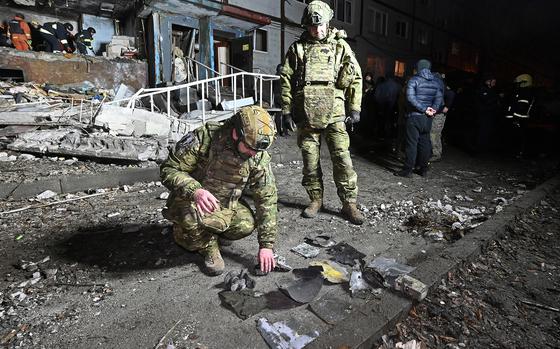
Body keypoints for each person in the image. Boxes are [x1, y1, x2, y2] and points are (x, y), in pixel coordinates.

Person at [160, 105, 278, 276]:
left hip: (225, 201)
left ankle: (213, 229)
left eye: (257, 150)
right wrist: (195, 191)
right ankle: (207, 244)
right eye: (249, 148)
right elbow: (169, 170)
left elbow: (267, 197)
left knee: (246, 224)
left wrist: (266, 246)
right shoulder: (204, 137)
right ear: (236, 133)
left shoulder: (257, 154)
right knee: (189, 222)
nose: (253, 154)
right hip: (192, 199)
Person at [280, 0, 365, 225]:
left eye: (320, 25)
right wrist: (286, 110)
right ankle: (315, 199)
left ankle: (349, 204)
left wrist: (354, 108)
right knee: (309, 161)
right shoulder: (297, 48)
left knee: (342, 159)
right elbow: (286, 79)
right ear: (306, 25)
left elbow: (355, 77)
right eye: (312, 26)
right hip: (306, 113)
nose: (316, 30)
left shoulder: (340, 46)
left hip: (335, 112)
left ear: (328, 23)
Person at [395, 59, 443, 178]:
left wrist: (423, 109)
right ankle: (423, 169)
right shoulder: (436, 82)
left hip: (414, 117)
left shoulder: (414, 80)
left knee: (411, 143)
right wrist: (432, 110)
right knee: (425, 143)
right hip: (428, 118)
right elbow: (439, 99)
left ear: (418, 68)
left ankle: (408, 170)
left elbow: (410, 99)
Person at [505, 73, 536, 157]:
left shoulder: (525, 92)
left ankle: (517, 153)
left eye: (519, 83)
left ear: (524, 82)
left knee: (518, 137)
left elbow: (521, 107)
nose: (517, 85)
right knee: (515, 137)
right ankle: (514, 152)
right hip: (516, 119)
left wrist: (516, 119)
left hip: (519, 120)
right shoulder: (521, 91)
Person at [430, 73, 455, 161]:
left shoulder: (442, 87)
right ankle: (435, 153)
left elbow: (451, 93)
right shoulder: (439, 86)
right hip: (436, 114)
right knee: (435, 133)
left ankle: (436, 154)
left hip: (439, 115)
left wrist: (447, 106)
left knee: (434, 134)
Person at [473, 73, 499, 154]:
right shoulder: (482, 90)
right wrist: (496, 99)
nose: (494, 83)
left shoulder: (493, 91)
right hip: (483, 115)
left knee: (487, 132)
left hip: (490, 116)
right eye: (493, 81)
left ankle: (483, 149)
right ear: (488, 82)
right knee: (481, 132)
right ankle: (477, 150)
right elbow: (485, 102)